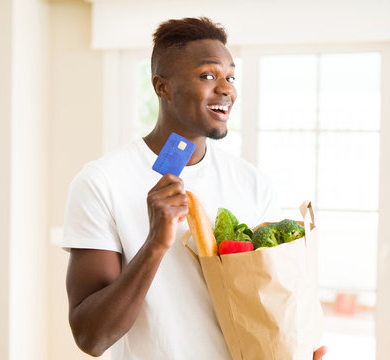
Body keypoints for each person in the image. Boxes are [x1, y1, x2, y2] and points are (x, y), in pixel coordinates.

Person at [63, 17, 327, 359]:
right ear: (163, 87)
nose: (226, 89)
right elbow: (91, 337)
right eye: (208, 75)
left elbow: (270, 299)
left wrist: (300, 346)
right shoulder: (102, 182)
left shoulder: (251, 183)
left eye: (230, 77)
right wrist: (156, 243)